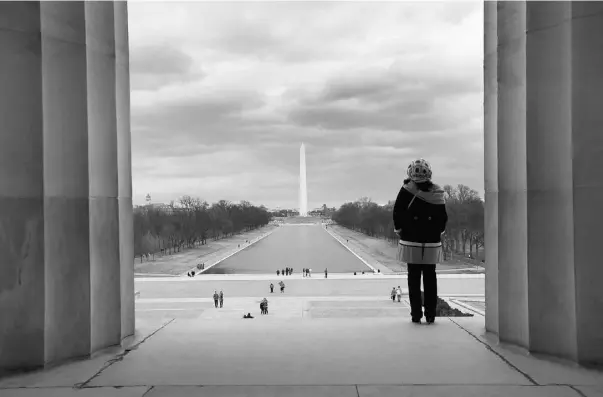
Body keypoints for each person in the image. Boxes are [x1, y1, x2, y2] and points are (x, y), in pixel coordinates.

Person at [393, 158, 448, 324]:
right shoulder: (437, 192)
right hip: (431, 241)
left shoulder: (406, 190)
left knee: (413, 278)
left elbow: (397, 212)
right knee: (430, 277)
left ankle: (416, 314)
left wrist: (400, 230)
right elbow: (442, 218)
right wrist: (438, 232)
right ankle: (430, 314)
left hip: (411, 239)